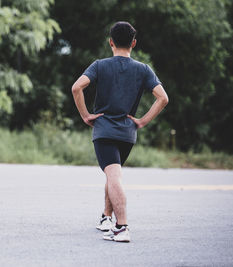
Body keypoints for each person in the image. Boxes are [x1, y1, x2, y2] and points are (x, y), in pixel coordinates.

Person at [71, 21, 168, 242]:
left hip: (105, 132)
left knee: (113, 176)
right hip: (127, 134)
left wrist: (85, 115)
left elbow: (76, 87)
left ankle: (122, 226)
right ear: (133, 43)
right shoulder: (143, 69)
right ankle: (106, 217)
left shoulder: (99, 65)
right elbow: (163, 98)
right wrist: (142, 121)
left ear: (110, 42)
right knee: (112, 174)